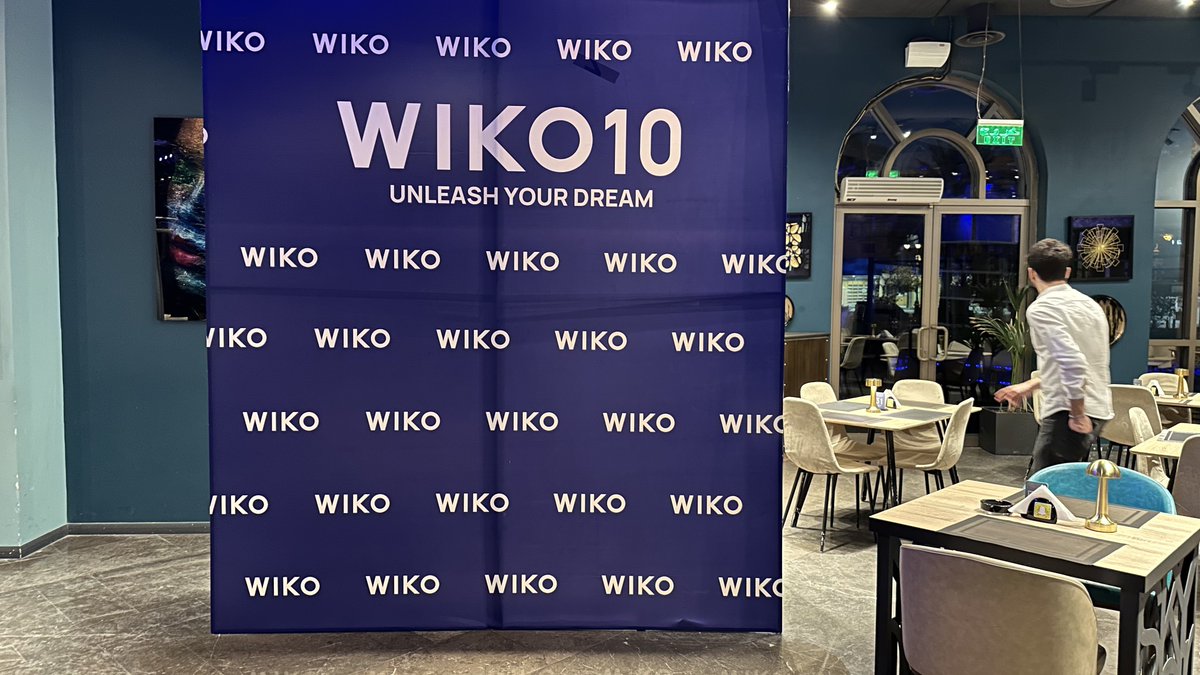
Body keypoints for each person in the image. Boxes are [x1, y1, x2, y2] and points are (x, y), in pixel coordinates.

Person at [994, 238, 1113, 475]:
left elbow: (1073, 363)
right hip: (1097, 406)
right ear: (1067, 272)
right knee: (1062, 487)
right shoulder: (1089, 305)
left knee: (1043, 489)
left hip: (1068, 412)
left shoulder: (1043, 309)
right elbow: (1080, 362)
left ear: (1031, 273)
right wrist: (1030, 386)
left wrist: (1077, 414)